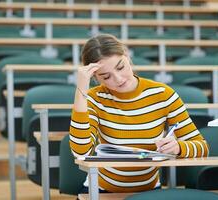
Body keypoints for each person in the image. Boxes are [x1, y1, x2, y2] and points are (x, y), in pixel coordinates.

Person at [69, 34, 209, 193]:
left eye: (120, 67)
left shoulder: (162, 94)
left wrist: (179, 147)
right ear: (95, 76)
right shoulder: (94, 98)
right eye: (106, 76)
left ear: (127, 56)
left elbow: (202, 147)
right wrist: (81, 88)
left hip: (149, 192)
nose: (118, 79)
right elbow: (81, 152)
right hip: (101, 191)